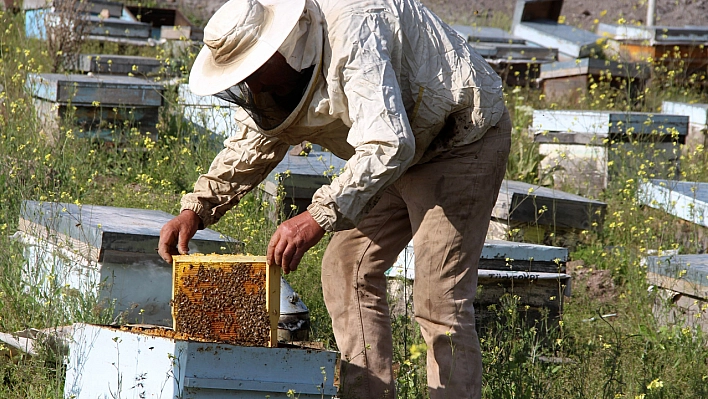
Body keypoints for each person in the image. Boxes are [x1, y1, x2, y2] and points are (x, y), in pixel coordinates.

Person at [158, 0, 511, 397]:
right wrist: (197, 208)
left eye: (254, 72)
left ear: (280, 49)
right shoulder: (275, 78)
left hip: (459, 136)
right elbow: (256, 141)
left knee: (439, 303)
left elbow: (388, 143)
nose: (253, 86)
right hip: (398, 147)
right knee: (346, 269)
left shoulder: (352, 30)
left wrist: (315, 216)